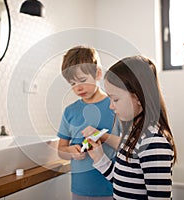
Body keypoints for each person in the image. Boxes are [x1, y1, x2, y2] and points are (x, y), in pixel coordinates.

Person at [85, 55, 177, 199]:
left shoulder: (153, 142)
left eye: (115, 99)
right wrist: (100, 158)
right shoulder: (133, 135)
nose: (111, 106)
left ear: (139, 98)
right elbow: (123, 182)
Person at [57, 46, 119, 200]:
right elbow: (61, 150)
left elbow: (125, 146)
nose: (78, 88)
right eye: (72, 84)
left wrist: (101, 136)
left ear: (98, 73)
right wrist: (71, 151)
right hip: (80, 189)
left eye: (82, 80)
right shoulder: (70, 111)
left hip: (111, 188)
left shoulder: (115, 106)